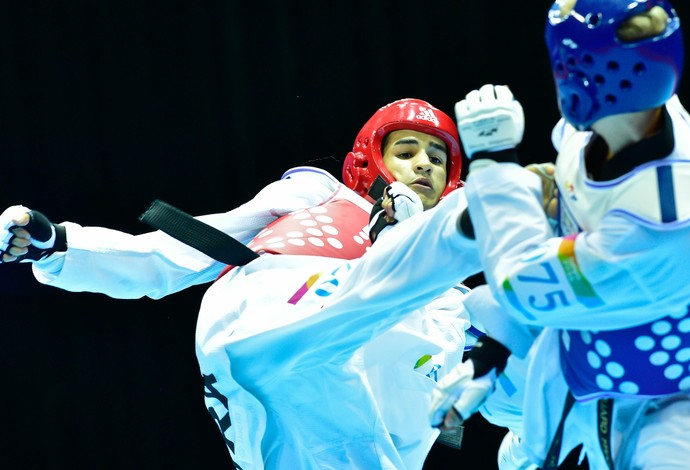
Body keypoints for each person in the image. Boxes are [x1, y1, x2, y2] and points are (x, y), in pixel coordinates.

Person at [1, 98, 488, 469]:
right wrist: (63, 244)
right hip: (270, 329)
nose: (424, 164)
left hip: (339, 413)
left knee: (461, 312)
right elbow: (185, 249)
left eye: (437, 158)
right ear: (368, 162)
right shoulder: (319, 194)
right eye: (406, 151)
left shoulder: (453, 301)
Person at [431, 0, 690, 469]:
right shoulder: (589, 134)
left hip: (667, 403)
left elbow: (524, 281)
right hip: (578, 370)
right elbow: (567, 230)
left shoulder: (662, 221)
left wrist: (493, 163)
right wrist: (493, 354)